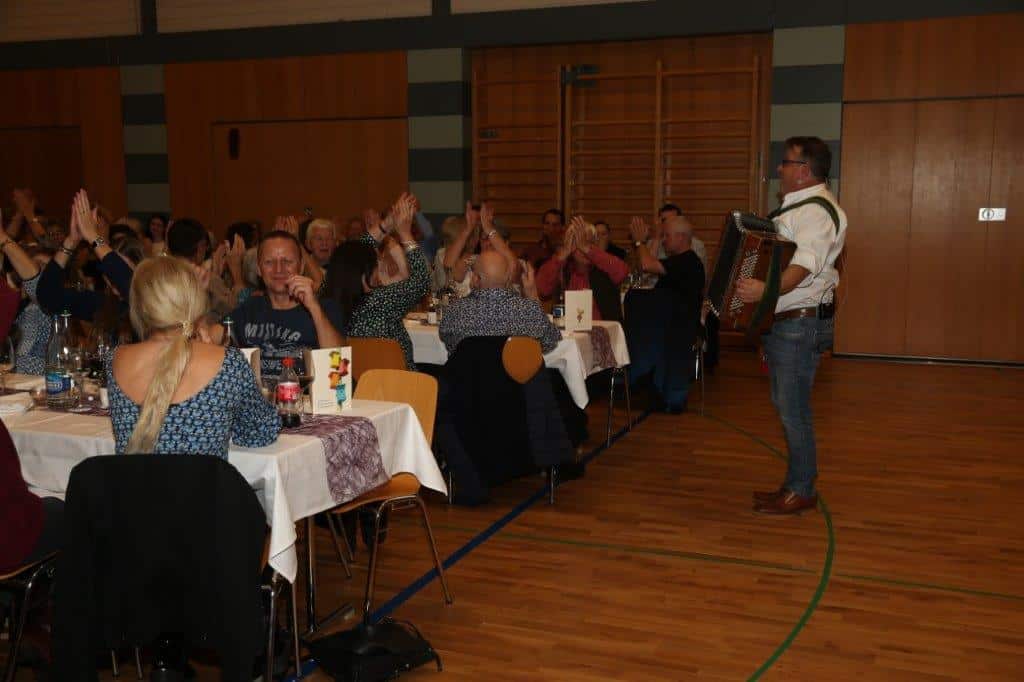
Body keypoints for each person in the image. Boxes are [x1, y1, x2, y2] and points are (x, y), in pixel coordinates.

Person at [736, 136, 847, 515]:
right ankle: (795, 484)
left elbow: (802, 266)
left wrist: (764, 291)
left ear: (804, 171)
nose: (779, 168)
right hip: (789, 323)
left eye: (786, 162)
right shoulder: (797, 208)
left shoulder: (816, 212)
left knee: (793, 411)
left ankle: (801, 489)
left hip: (799, 325)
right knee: (789, 407)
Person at [107, 257, 279, 457]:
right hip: (204, 479)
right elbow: (259, 433)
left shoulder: (116, 359)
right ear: (195, 300)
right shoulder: (228, 363)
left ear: (139, 306)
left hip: (132, 479)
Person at [325, 193, 429, 369]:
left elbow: (352, 253)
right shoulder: (381, 301)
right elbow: (422, 281)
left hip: (353, 382)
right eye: (376, 263)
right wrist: (405, 233)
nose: (379, 266)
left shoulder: (328, 299)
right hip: (398, 382)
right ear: (365, 273)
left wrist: (386, 224)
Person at [223, 230, 344, 377]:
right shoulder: (248, 309)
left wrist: (314, 307)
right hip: (260, 391)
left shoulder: (324, 308)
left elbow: (338, 364)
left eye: (287, 261)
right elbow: (210, 336)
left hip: (307, 390)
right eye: (269, 262)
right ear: (259, 269)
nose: (278, 269)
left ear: (301, 266)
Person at [629, 214, 706, 412]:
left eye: (667, 236)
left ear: (681, 237)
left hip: (679, 329)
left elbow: (647, 264)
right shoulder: (678, 261)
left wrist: (640, 242)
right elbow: (647, 267)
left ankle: (655, 389)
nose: (664, 240)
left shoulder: (688, 262)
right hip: (669, 326)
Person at [440, 251, 560, 355]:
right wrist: (533, 297)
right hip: (515, 375)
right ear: (508, 279)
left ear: (476, 279)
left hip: (468, 374)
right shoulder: (529, 311)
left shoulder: (455, 311)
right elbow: (550, 341)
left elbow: (449, 343)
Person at [536, 216, 629, 321]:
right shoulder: (561, 267)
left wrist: (588, 249)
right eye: (577, 243)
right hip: (568, 328)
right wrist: (562, 255)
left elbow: (623, 273)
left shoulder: (604, 265)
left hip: (602, 327)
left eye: (588, 242)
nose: (582, 248)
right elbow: (542, 289)